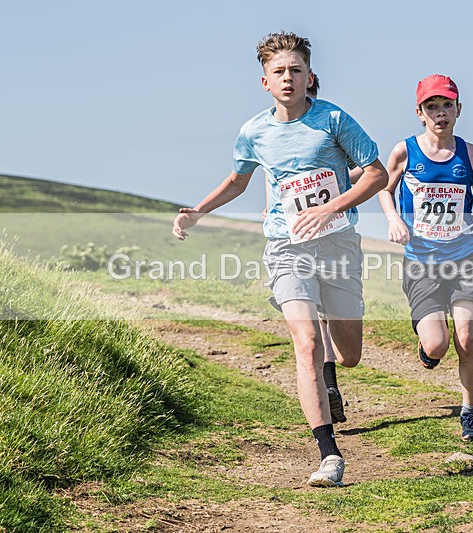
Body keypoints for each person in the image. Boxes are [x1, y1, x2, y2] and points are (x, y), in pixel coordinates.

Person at [173, 32, 387, 486]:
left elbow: (376, 174)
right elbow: (237, 181)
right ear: (264, 82)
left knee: (349, 354)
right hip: (286, 246)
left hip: (337, 244)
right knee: (305, 341)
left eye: (296, 70)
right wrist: (197, 211)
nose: (288, 78)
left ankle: (332, 371)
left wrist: (330, 207)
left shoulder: (333, 120)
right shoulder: (254, 132)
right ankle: (329, 454)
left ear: (310, 77)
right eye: (279, 72)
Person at [378, 74, 473, 442]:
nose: (440, 114)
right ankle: (428, 347)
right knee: (437, 345)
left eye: (447, 106)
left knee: (467, 338)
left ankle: (470, 413)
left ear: (458, 109)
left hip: (465, 258)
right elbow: (384, 190)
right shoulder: (404, 151)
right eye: (432, 107)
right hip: (422, 261)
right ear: (420, 112)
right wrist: (395, 220)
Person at [261, 73, 363, 427]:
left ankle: (332, 377)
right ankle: (327, 390)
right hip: (293, 242)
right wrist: (271, 207)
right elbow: (276, 180)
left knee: (345, 345)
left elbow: (361, 172)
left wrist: (333, 193)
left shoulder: (330, 129)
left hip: (335, 240)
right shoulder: (271, 137)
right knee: (308, 333)